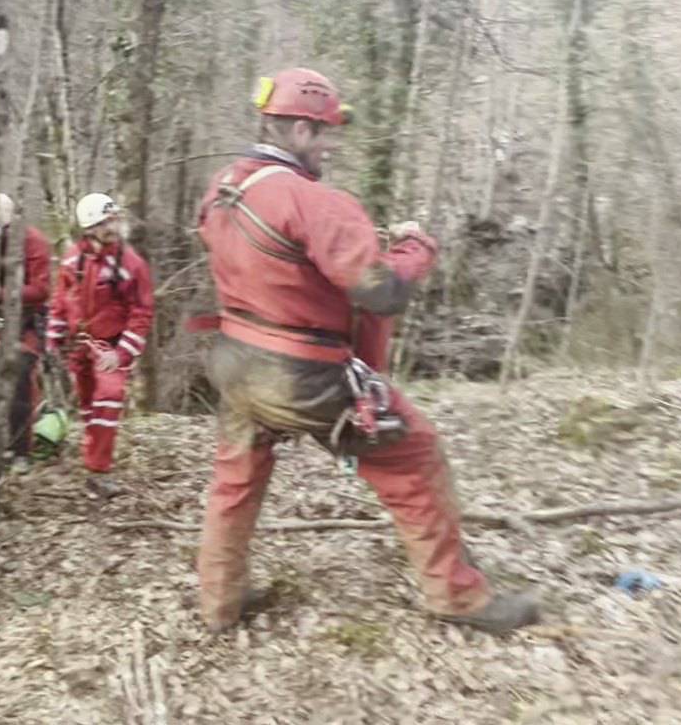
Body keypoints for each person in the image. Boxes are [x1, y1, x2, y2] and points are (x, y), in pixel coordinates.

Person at [192, 68, 538, 634]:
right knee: (415, 457)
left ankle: (218, 601)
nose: (331, 147)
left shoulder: (224, 186)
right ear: (300, 130)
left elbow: (285, 270)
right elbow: (382, 291)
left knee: (235, 481)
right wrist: (414, 249)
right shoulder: (310, 198)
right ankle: (457, 597)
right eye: (327, 134)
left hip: (235, 361)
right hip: (303, 375)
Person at [47, 192, 155, 495]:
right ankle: (91, 455)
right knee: (88, 405)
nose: (114, 225)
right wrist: (53, 340)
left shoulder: (131, 264)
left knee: (109, 397)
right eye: (107, 221)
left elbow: (142, 312)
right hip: (79, 344)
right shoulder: (71, 259)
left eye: (114, 219)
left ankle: (98, 469)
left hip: (110, 346)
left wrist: (121, 354)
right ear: (90, 227)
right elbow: (60, 301)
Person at [0, 193, 54, 467]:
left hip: (28, 322)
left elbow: (41, 290)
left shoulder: (34, 242)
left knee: (19, 378)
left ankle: (21, 450)